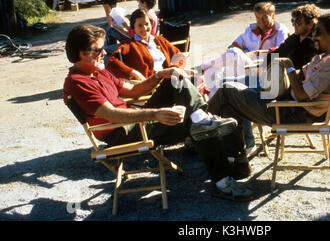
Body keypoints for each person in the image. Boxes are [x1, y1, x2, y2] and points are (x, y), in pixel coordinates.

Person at [63, 24, 254, 201]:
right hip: (120, 133)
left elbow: (132, 91)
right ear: (82, 53)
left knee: (175, 80)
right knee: (196, 126)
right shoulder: (78, 82)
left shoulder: (98, 72)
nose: (104, 53)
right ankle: (223, 180)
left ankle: (202, 120)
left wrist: (158, 76)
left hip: (132, 123)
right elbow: (113, 115)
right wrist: (156, 114)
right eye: (98, 50)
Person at [207, 13, 330, 145]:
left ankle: (200, 130)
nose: (313, 36)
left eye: (318, 32)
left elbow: (301, 95)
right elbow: (300, 73)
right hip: (287, 104)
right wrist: (274, 77)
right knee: (228, 104)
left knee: (226, 90)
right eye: (314, 31)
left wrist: (288, 66)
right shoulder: (324, 56)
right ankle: (237, 156)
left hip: (290, 113)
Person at [238, 4, 320, 154]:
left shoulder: (315, 43)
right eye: (293, 20)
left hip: (288, 92)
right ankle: (242, 141)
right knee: (233, 84)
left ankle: (246, 143)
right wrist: (266, 68)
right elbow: (276, 53)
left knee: (239, 94)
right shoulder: (295, 38)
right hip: (277, 82)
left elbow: (305, 73)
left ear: (311, 23)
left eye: (298, 22)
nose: (293, 24)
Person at [200, 2, 289, 98]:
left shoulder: (280, 30)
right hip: (247, 67)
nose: (260, 21)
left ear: (273, 15)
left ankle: (202, 67)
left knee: (234, 53)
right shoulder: (251, 30)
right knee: (212, 71)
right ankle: (212, 103)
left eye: (264, 17)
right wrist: (242, 55)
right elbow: (234, 45)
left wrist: (255, 53)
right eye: (258, 17)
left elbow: (281, 50)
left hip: (264, 69)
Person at [106, 8, 186, 81]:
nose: (144, 28)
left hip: (169, 80)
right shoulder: (128, 45)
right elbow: (111, 63)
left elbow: (178, 56)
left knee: (193, 80)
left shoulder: (159, 40)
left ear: (151, 24)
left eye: (147, 24)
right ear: (133, 27)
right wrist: (133, 73)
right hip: (151, 85)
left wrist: (175, 67)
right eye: (140, 25)